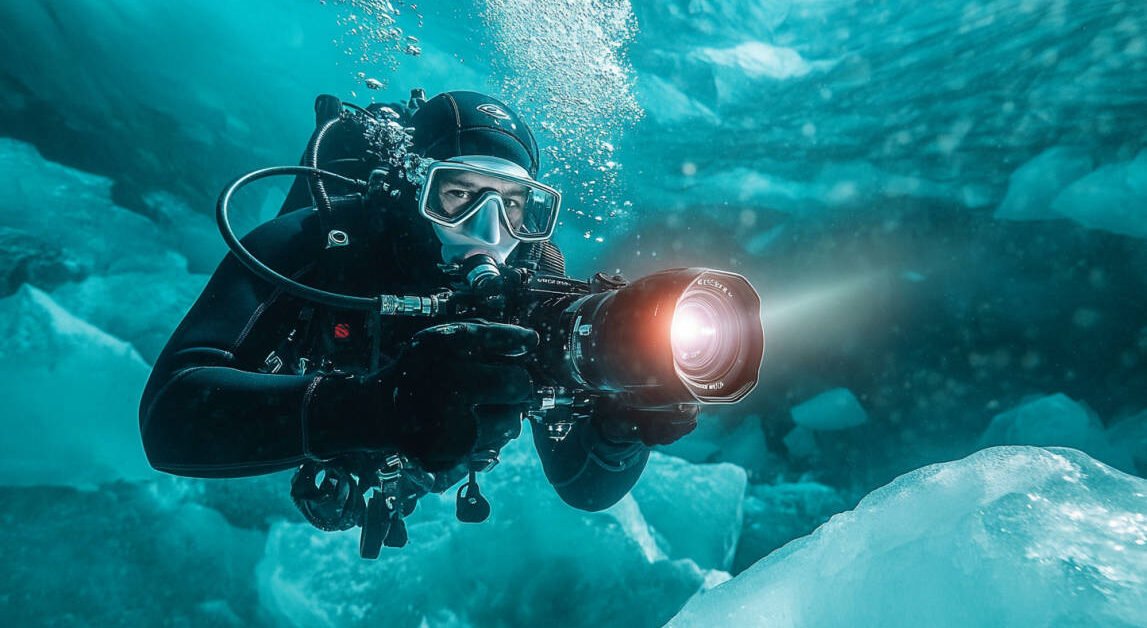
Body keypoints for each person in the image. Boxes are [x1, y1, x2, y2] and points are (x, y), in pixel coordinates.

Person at [138, 90, 699, 537]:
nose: (487, 231)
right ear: (413, 188)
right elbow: (170, 416)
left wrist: (619, 424)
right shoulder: (313, 242)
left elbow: (585, 489)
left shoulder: (533, 279)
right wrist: (375, 408)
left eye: (512, 205)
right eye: (457, 196)